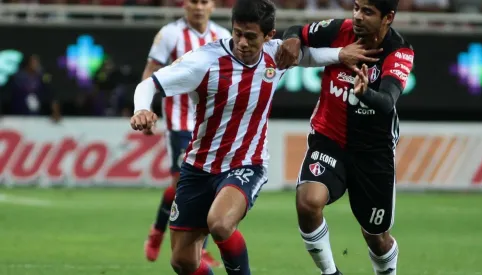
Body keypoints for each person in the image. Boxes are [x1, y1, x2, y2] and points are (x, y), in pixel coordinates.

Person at [131, 0, 380, 274]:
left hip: (247, 163)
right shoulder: (204, 61)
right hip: (198, 166)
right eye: (237, 33)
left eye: (251, 36)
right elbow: (148, 85)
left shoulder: (276, 55)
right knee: (182, 261)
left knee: (220, 223)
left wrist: (341, 54)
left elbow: (311, 56)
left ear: (269, 36)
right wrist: (142, 108)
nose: (242, 42)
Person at [276, 0, 414, 274]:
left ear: (388, 17)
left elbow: (387, 101)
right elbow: (296, 29)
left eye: (367, 12)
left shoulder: (399, 51)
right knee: (307, 203)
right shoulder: (340, 30)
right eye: (356, 8)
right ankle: (330, 272)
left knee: (376, 236)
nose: (358, 17)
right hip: (329, 138)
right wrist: (291, 39)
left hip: (373, 152)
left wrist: (366, 94)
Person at [141, 0, 230, 266]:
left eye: (204, 1)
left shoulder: (223, 37)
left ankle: (169, 235)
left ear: (213, 6)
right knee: (184, 184)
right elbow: (151, 71)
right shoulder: (169, 34)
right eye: (193, 1)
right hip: (179, 122)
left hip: (211, 124)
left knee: (210, 187)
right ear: (184, 4)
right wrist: (144, 108)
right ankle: (178, 241)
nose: (199, 7)